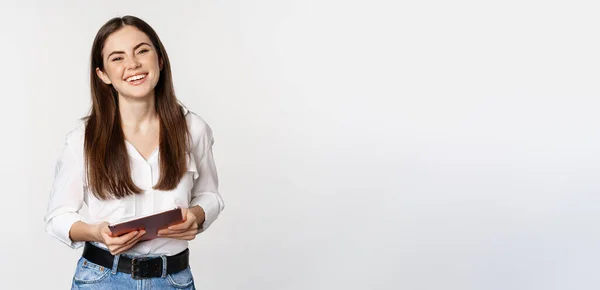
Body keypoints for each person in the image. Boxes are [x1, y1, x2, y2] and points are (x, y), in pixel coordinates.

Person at [43, 15, 224, 289]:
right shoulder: (82, 139)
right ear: (102, 74)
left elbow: (210, 195)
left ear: (159, 60)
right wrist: (96, 232)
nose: (133, 64)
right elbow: (58, 217)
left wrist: (197, 215)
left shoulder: (193, 129)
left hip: (173, 280)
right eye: (117, 58)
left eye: (142, 51)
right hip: (102, 279)